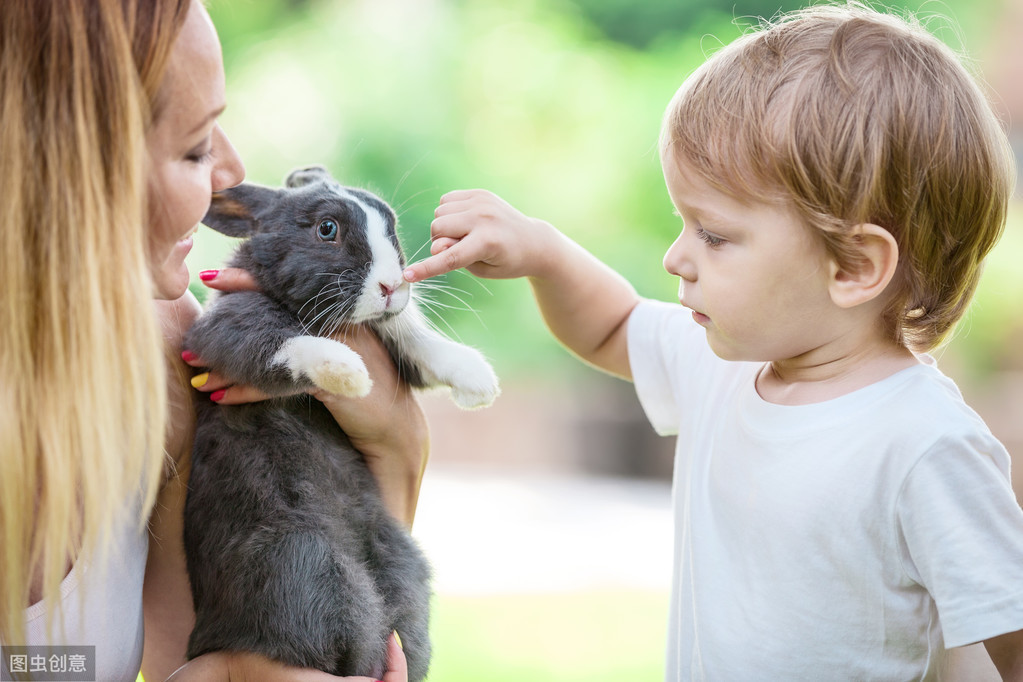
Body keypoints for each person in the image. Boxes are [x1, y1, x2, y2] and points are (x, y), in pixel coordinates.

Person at [403, 4, 1023, 679]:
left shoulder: (923, 444)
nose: (676, 257)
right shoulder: (720, 366)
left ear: (851, 267)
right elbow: (611, 326)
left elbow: (1009, 633)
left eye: (714, 235)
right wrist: (543, 254)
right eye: (682, 223)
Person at [0, 1, 424, 680]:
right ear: (66, 173)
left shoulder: (166, 346)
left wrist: (396, 445)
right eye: (196, 147)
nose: (232, 174)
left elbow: (234, 654)